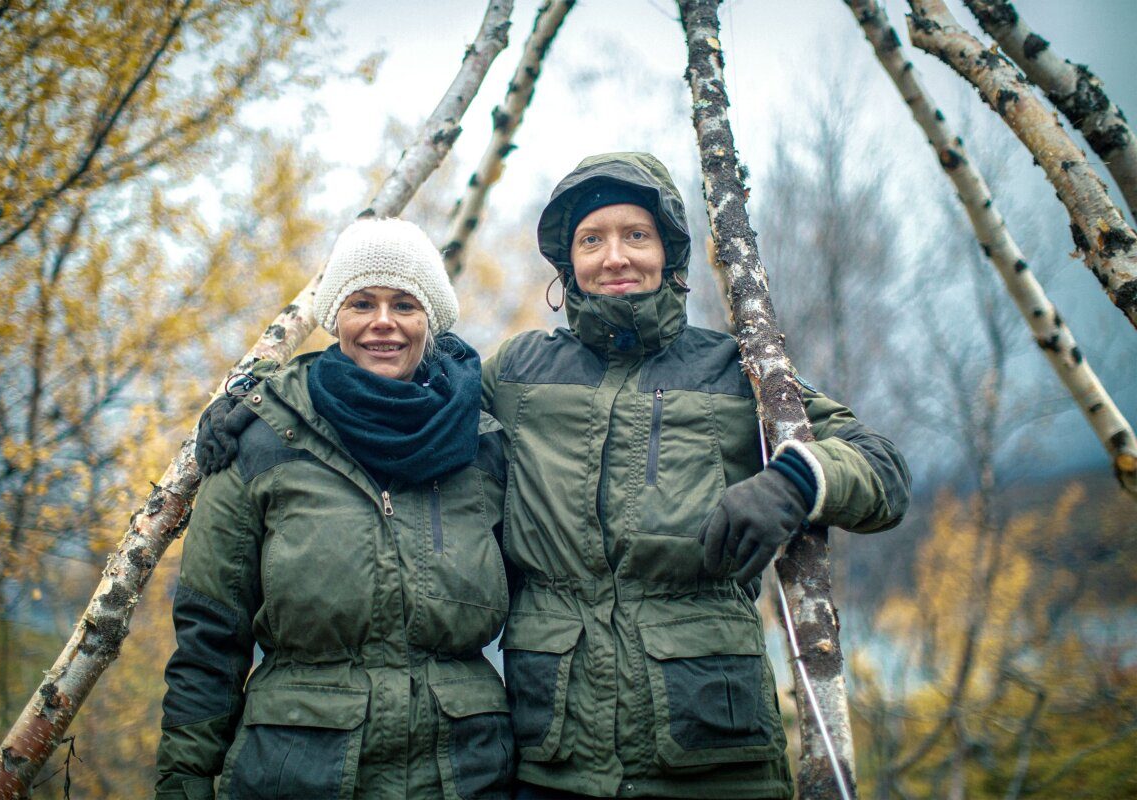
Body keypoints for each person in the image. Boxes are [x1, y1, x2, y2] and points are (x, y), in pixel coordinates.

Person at [196, 153, 911, 799]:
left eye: (637, 234)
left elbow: (880, 467)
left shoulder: (734, 373)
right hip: (554, 753)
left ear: (671, 250)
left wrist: (794, 482)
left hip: (712, 746)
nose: (615, 257)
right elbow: (400, 398)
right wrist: (260, 399)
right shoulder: (519, 373)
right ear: (567, 263)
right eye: (591, 240)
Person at [156, 218, 515, 799]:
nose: (382, 322)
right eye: (361, 302)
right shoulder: (260, 439)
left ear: (431, 320)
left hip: (465, 778)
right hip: (295, 775)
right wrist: (182, 786)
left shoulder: (484, 447)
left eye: (404, 304)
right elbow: (208, 643)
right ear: (333, 317)